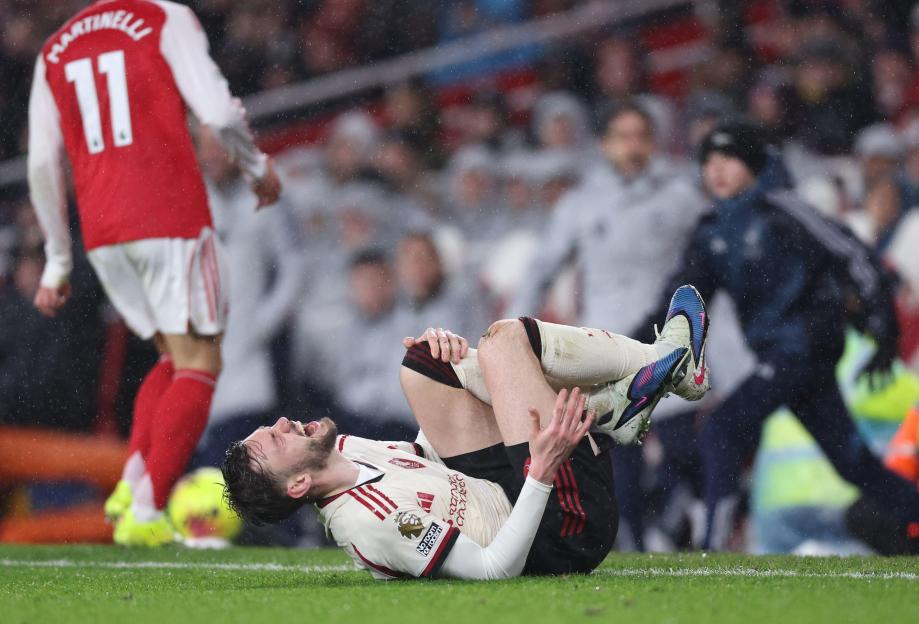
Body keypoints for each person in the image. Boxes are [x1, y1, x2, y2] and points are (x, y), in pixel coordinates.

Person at [222, 286, 708, 579]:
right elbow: (496, 568)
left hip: (506, 486)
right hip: (560, 534)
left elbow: (427, 455)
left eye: (272, 428)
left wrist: (451, 364)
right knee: (506, 341)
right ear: (299, 484)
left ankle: (610, 408)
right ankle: (667, 366)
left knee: (423, 363)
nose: (282, 423)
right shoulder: (369, 524)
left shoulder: (347, 450)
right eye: (276, 440)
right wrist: (540, 472)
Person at [26, 0, 281, 545]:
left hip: (103, 230)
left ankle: (132, 482)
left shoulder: (55, 48)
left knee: (172, 356)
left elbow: (42, 161)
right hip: (169, 215)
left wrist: (58, 259)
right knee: (201, 362)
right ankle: (146, 509)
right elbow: (218, 114)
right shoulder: (164, 17)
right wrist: (256, 167)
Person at [647, 120, 919, 550]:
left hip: (803, 347)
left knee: (722, 428)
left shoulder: (784, 209)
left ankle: (712, 547)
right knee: (854, 465)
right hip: (782, 355)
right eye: (709, 161)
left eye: (729, 159)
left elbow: (853, 253)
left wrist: (884, 329)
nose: (717, 170)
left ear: (753, 165)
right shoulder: (711, 229)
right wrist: (627, 343)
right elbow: (682, 302)